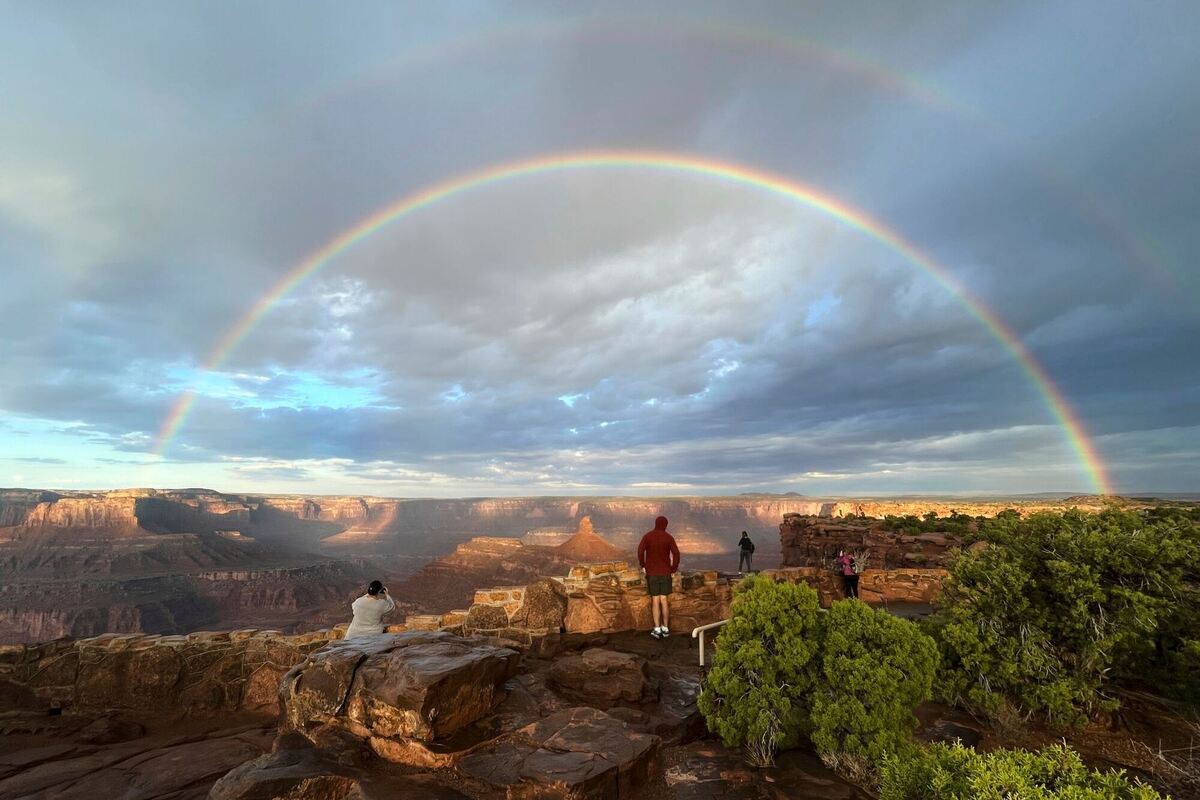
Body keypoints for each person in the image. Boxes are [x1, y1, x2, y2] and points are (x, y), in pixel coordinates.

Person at [638, 515, 680, 639]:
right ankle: (665, 628)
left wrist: (643, 565)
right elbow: (676, 554)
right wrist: (673, 568)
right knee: (664, 600)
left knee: (655, 600)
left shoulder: (647, 536)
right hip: (666, 573)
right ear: (665, 525)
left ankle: (657, 629)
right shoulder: (669, 537)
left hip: (652, 573)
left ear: (655, 523)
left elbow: (640, 551)